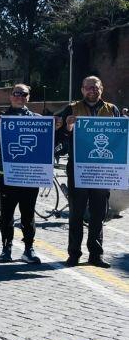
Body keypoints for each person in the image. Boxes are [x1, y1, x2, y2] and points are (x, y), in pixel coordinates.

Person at [57, 76, 120, 268]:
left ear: (102, 88)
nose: (92, 90)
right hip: (79, 170)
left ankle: (96, 254)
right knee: (76, 214)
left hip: (103, 171)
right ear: (82, 89)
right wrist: (67, 126)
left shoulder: (112, 109)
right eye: (88, 88)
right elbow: (60, 138)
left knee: (98, 214)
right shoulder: (71, 108)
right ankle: (74, 254)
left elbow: (120, 138)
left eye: (95, 87)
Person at [0, 84, 42, 263]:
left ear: (29, 97)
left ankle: (29, 248)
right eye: (16, 94)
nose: (19, 97)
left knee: (28, 214)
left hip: (30, 174)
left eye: (23, 94)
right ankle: (6, 248)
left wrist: (56, 128)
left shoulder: (38, 119)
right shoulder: (1, 119)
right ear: (10, 96)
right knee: (6, 214)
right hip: (8, 174)